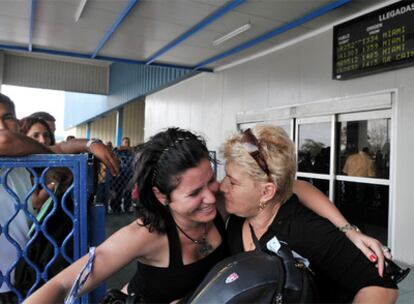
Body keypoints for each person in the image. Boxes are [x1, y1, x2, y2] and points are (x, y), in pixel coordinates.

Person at [25, 127, 390, 304]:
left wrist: (347, 228)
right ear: (161, 197)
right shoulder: (148, 233)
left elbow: (289, 185)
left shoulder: (226, 208)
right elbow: (61, 284)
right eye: (193, 193)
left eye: (213, 181)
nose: (210, 196)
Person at [221, 125, 398, 303]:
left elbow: (383, 288)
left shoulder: (307, 230)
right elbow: (296, 185)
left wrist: (347, 229)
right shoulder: (236, 219)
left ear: (267, 192)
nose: (222, 187)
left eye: (232, 182)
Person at [0, 93, 119, 303]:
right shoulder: (12, 146)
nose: (1, 125)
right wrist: (54, 162)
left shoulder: (23, 157)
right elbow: (5, 140)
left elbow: (63, 148)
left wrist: (92, 143)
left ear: (19, 123)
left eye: (7, 117)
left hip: (22, 276)